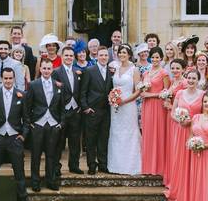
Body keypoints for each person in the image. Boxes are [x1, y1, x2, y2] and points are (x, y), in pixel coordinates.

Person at [0, 68, 29, 201]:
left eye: (10, 78)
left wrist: (23, 135)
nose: (8, 81)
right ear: (1, 79)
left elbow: (27, 119)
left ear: (14, 79)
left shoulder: (22, 95)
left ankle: (22, 197)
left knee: (19, 171)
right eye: (6, 78)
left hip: (15, 138)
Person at [165, 69, 203, 201]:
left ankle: (193, 194)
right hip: (180, 131)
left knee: (194, 162)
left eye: (194, 78)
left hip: (195, 131)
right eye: (189, 78)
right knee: (180, 160)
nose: (191, 80)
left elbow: (205, 115)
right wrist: (180, 119)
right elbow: (173, 113)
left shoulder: (203, 95)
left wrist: (192, 121)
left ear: (198, 80)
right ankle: (180, 192)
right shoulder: (180, 93)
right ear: (185, 79)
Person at [26, 58, 64, 191]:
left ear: (52, 69)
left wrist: (60, 123)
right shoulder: (33, 85)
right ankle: (35, 182)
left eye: (49, 68)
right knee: (36, 155)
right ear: (40, 69)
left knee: (51, 155)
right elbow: (27, 106)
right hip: (37, 124)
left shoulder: (58, 85)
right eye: (44, 68)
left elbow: (62, 106)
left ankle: (51, 180)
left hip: (53, 124)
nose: (47, 71)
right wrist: (30, 123)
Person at [107, 44, 142, 176]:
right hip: (115, 107)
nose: (122, 55)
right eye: (120, 52)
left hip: (128, 105)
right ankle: (116, 165)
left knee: (129, 133)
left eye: (124, 53)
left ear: (129, 55)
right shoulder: (115, 68)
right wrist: (113, 98)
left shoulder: (134, 70)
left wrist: (125, 101)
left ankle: (130, 165)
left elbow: (138, 90)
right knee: (116, 132)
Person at [80, 46, 113, 175]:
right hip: (92, 111)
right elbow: (83, 92)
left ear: (108, 57)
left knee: (103, 139)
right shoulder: (89, 70)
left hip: (106, 111)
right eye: (101, 55)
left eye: (106, 55)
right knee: (91, 140)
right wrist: (86, 108)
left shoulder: (111, 72)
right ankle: (91, 165)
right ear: (97, 57)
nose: (104, 57)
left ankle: (103, 164)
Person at [52, 46, 83, 176]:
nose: (69, 58)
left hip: (75, 111)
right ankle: (56, 167)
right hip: (62, 112)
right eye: (66, 55)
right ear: (62, 56)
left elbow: (81, 90)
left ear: (74, 57)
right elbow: (53, 92)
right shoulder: (56, 72)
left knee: (75, 141)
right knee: (59, 142)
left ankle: (74, 165)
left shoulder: (78, 71)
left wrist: (81, 106)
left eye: (71, 55)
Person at [140, 46, 170, 176]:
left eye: (157, 57)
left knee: (158, 134)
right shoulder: (146, 73)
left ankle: (159, 167)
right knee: (148, 133)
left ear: (161, 58)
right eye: (153, 57)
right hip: (147, 106)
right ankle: (147, 165)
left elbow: (166, 92)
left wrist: (150, 95)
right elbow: (142, 90)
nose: (155, 59)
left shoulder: (164, 73)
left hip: (158, 106)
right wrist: (142, 92)